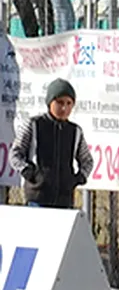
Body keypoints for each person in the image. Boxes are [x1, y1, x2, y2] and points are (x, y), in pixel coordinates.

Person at [10, 79, 94, 209]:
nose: (64, 108)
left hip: (64, 201)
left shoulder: (75, 131)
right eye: (59, 102)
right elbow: (15, 154)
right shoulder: (33, 125)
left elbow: (87, 160)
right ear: (50, 103)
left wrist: (78, 178)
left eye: (69, 103)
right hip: (37, 199)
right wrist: (29, 172)